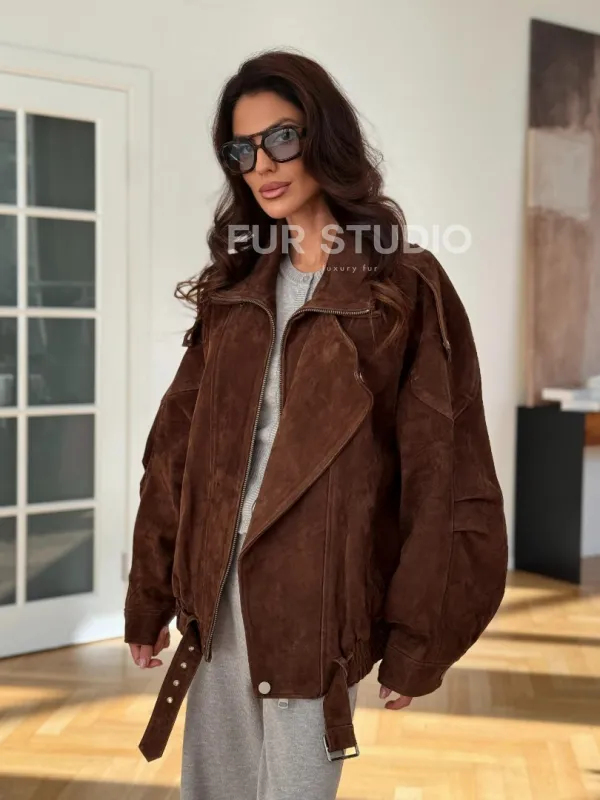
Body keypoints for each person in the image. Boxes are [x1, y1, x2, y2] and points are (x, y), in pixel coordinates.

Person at [124, 48, 508, 800]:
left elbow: (446, 475)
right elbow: (175, 453)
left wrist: (418, 640)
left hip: (316, 601)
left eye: (282, 137)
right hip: (216, 588)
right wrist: (149, 594)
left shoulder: (404, 286)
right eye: (242, 150)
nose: (263, 165)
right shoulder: (236, 288)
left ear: (323, 136)